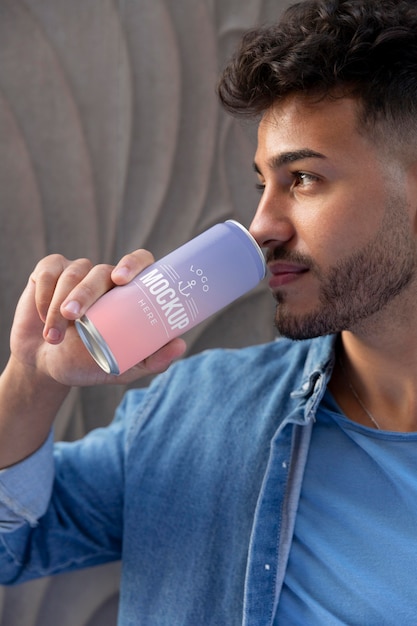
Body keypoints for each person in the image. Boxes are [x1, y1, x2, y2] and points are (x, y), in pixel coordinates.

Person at [1, 0, 417, 623]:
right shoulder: (192, 410)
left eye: (302, 178)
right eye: (262, 185)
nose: (262, 225)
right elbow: (13, 544)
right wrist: (32, 379)